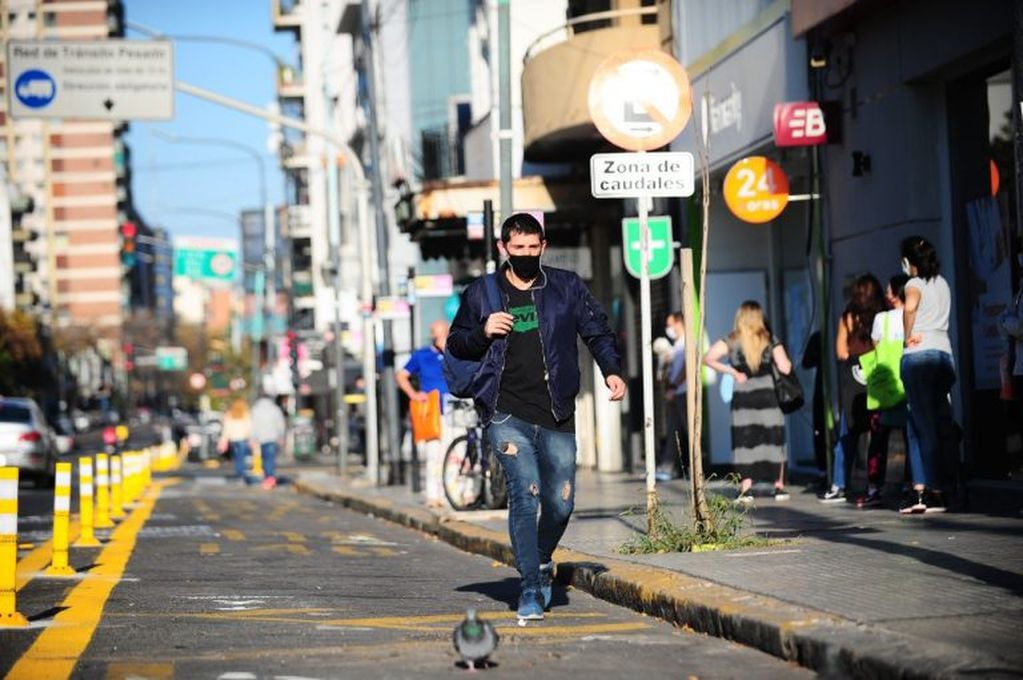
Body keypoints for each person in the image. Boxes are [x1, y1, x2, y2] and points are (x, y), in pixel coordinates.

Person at [447, 212, 626, 622]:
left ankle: (541, 558)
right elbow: (457, 345)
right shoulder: (483, 293)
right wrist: (482, 331)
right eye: (518, 248)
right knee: (524, 495)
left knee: (561, 504)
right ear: (503, 249)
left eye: (533, 248)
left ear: (543, 247)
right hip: (505, 412)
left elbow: (597, 331)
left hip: (557, 411)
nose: (526, 254)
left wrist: (611, 370)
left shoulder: (565, 287)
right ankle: (530, 586)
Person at [702, 300, 794, 502]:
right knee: (773, 437)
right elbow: (785, 367)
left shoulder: (733, 340)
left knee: (745, 441)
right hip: (768, 396)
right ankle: (778, 487)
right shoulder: (769, 339)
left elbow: (707, 358)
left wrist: (733, 372)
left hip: (743, 397)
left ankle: (746, 489)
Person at [899, 236, 957, 514]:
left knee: (924, 425)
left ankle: (934, 490)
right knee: (928, 422)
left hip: (919, 356)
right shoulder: (942, 283)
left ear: (909, 261)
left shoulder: (914, 283)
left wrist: (907, 336)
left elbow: (909, 307)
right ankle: (922, 488)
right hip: (944, 354)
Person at [820, 274, 886, 504]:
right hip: (880, 373)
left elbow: (840, 352)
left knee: (847, 432)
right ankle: (875, 485)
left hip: (853, 376)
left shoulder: (849, 316)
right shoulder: (884, 313)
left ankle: (839, 484)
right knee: (879, 429)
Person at [856, 273, 910, 508]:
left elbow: (877, 348)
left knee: (878, 438)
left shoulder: (882, 319)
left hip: (886, 387)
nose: (886, 294)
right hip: (907, 382)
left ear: (895, 294)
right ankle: (912, 484)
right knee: (912, 437)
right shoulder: (914, 317)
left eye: (889, 290)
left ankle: (874, 488)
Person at [396, 320, 451, 509]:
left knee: (455, 455)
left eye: (443, 332)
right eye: (437, 333)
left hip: (456, 410)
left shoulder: (457, 352)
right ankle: (433, 495)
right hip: (433, 412)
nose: (440, 336)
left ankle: (455, 493)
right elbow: (401, 375)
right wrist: (414, 394)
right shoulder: (422, 355)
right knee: (434, 454)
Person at [657, 312, 688, 481]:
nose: (669, 329)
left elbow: (686, 368)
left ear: (679, 322)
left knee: (687, 429)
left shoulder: (687, 343)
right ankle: (669, 466)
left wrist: (674, 386)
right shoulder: (675, 346)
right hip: (675, 393)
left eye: (671, 324)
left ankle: (695, 466)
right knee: (673, 431)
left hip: (683, 392)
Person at [250, 393, 287, 490]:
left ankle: (268, 478)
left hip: (261, 438)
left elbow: (253, 425)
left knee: (265, 458)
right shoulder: (275, 409)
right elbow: (280, 423)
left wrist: (253, 438)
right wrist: (281, 436)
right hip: (272, 437)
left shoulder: (256, 410)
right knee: (270, 458)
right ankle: (270, 478)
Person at [219, 398, 254, 485]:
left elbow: (226, 429)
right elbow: (249, 428)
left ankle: (239, 474)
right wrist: (250, 438)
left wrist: (224, 439)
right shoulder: (246, 414)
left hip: (233, 440)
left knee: (237, 458)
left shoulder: (230, 414)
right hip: (243, 439)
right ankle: (241, 476)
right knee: (241, 458)